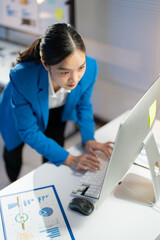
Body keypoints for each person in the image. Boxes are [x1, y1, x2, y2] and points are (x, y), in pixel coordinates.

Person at [0, 23, 113, 182]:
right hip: (17, 116)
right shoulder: (21, 77)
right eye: (65, 72)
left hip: (56, 111)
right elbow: (28, 131)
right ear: (46, 64)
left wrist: (88, 138)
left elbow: (83, 105)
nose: (75, 79)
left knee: (55, 152)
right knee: (13, 153)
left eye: (80, 68)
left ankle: (47, 182)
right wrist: (71, 159)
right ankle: (12, 181)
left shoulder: (91, 68)